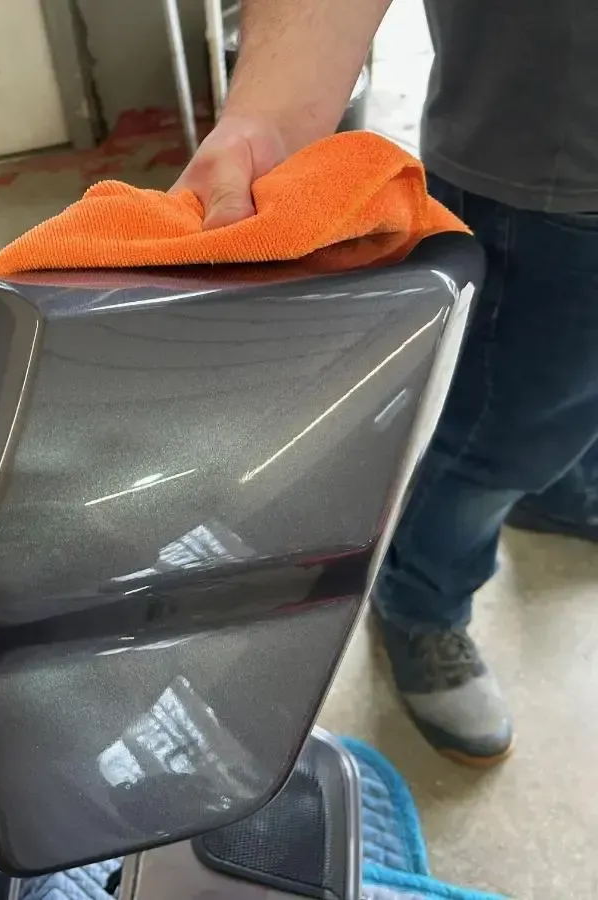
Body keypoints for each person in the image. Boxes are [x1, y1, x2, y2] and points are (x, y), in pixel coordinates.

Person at [173, 0, 598, 766]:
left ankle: (556, 488)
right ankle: (419, 602)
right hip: (553, 176)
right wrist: (265, 123)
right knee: (493, 434)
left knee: (560, 402)